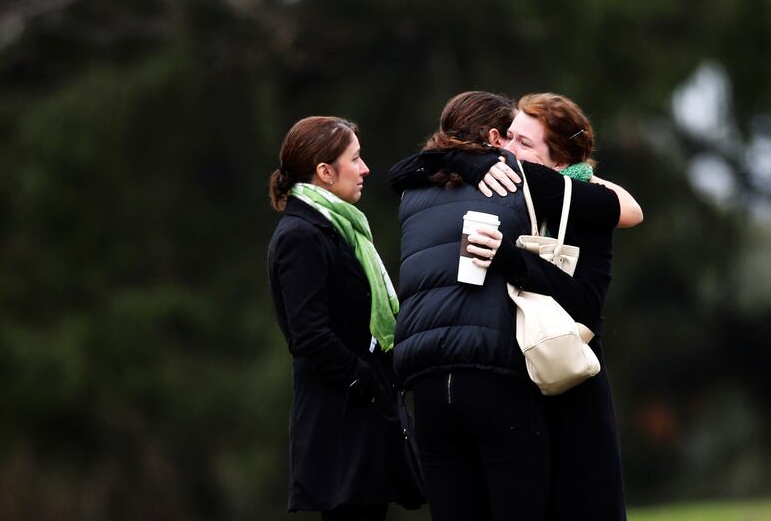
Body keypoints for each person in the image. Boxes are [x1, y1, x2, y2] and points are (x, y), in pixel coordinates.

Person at [390, 91, 640, 521]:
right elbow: (402, 172)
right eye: (507, 138)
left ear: (559, 161)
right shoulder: (500, 185)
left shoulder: (568, 197)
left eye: (522, 142)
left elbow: (589, 300)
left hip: (567, 386)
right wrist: (467, 161)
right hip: (513, 384)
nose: (507, 149)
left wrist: (511, 259)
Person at [391, 91, 549, 521]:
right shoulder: (515, 178)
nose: (516, 145)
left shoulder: (412, 192)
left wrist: (458, 159)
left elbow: (401, 170)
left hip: (425, 378)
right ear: (495, 137)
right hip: (492, 369)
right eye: (511, 136)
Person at [267, 116, 422, 521]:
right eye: (355, 158)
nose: (365, 168)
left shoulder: (339, 229)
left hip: (361, 421)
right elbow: (309, 335)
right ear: (325, 171)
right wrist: (364, 381)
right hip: (340, 425)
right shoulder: (301, 235)